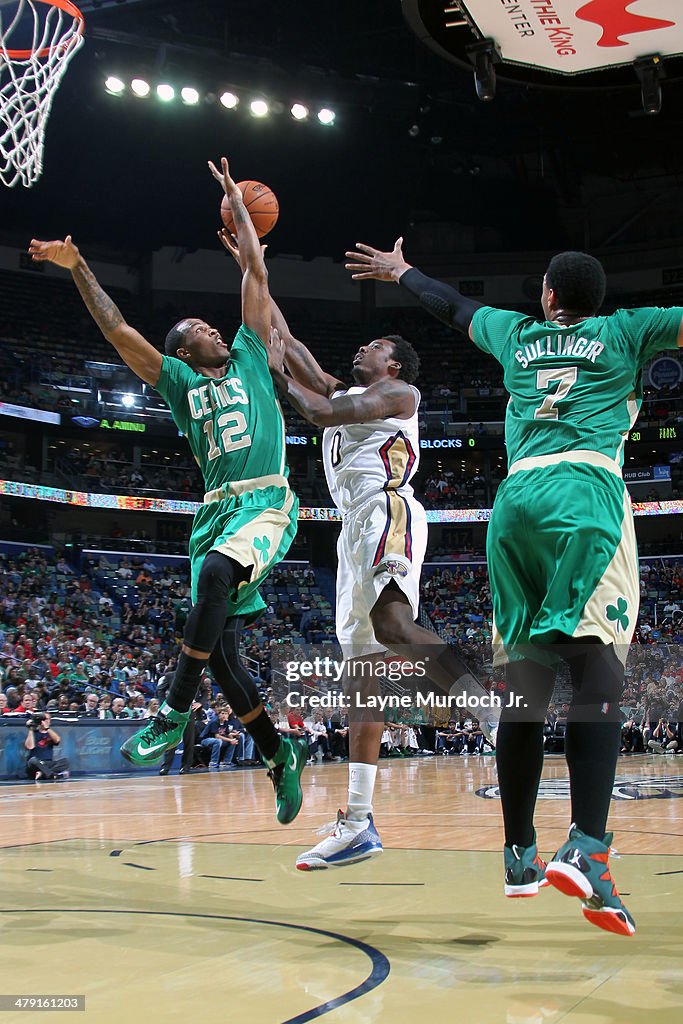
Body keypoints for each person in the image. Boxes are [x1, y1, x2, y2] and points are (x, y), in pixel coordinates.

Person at [344, 237, 683, 936]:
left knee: (525, 688)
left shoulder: (517, 332)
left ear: (548, 295)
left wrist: (403, 271)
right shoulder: (627, 329)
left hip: (514, 505)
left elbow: (452, 307)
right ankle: (588, 848)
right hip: (583, 492)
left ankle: (519, 853)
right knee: (597, 677)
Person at [28, 157, 308, 826]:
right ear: (181, 352)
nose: (214, 330)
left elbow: (256, 276)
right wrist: (78, 268)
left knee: (216, 578)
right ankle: (279, 757)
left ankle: (170, 709)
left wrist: (239, 214)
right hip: (213, 514)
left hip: (265, 501)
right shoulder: (179, 384)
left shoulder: (246, 354)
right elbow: (118, 330)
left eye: (214, 328)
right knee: (227, 663)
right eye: (199, 332)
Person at [263, 294, 498, 871]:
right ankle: (359, 821)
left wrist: (275, 374)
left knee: (394, 626)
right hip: (352, 528)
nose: (363, 348)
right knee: (361, 683)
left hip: (386, 510)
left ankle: (490, 711)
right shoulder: (346, 390)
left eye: (376, 346)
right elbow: (288, 339)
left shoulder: (399, 396)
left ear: (394, 364)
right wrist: (251, 263)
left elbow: (315, 411)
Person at [25, 712, 69, 781]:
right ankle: (52, 775)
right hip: (36, 763)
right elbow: (30, 747)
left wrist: (47, 729)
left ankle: (42, 774)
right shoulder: (34, 732)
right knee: (32, 760)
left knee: (65, 761)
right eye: (44, 719)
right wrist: (30, 729)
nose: (46, 721)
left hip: (48, 763)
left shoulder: (51, 733)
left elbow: (57, 740)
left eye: (48, 719)